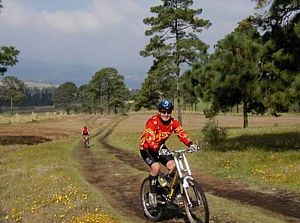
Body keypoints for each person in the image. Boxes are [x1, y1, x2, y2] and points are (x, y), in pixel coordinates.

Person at [139, 99, 199, 207]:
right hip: (147, 148)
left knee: (175, 166)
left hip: (160, 146)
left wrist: (190, 144)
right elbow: (149, 139)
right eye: (163, 111)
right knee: (156, 167)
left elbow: (181, 133)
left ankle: (171, 191)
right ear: (159, 111)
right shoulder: (152, 122)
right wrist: (156, 148)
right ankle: (152, 193)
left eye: (168, 112)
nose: (166, 114)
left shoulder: (173, 122)